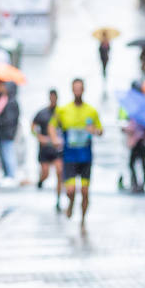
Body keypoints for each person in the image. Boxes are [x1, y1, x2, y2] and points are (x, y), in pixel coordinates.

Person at [49, 78, 102, 227]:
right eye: (75, 89)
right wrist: (54, 139)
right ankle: (71, 203)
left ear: (84, 90)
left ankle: (83, 219)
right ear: (72, 90)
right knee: (71, 190)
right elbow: (52, 126)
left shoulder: (91, 111)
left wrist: (95, 131)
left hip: (86, 157)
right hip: (70, 156)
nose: (78, 91)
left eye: (80, 88)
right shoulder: (63, 110)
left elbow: (100, 130)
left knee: (84, 191)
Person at [32, 88, 62, 204]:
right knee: (45, 173)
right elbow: (33, 127)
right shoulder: (42, 113)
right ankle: (40, 181)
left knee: (59, 171)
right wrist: (39, 137)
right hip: (45, 148)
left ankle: (58, 199)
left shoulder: (61, 113)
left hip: (57, 149)